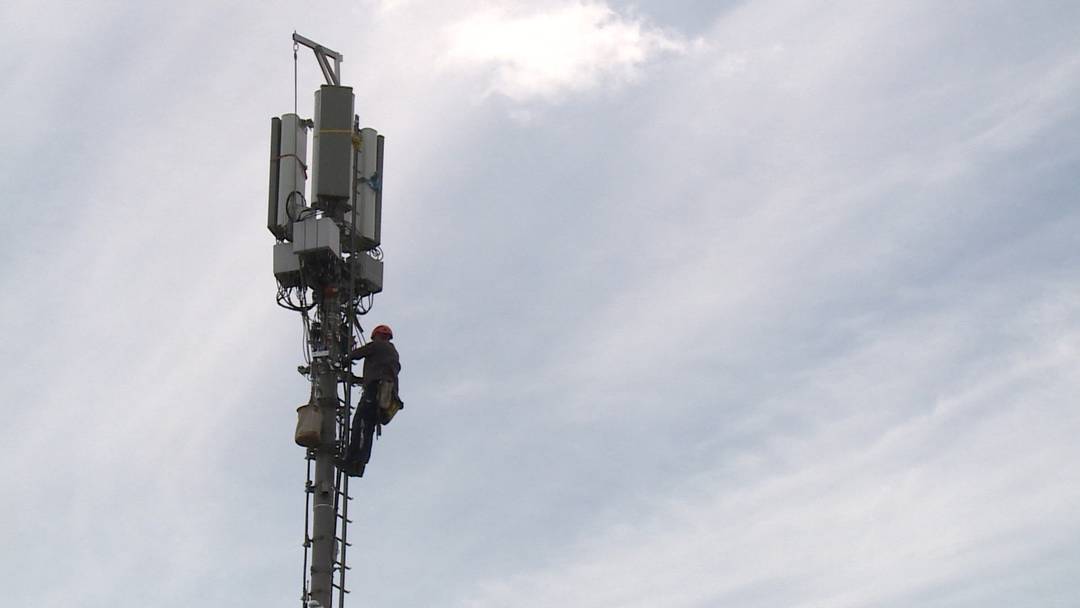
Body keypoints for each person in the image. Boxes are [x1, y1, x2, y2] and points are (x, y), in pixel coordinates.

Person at [341, 324, 400, 477]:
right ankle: (359, 465)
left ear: (376, 336)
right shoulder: (392, 353)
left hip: (374, 392)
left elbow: (358, 353)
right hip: (385, 397)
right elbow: (378, 374)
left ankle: (351, 460)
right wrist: (358, 380)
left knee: (360, 423)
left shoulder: (377, 346)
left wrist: (345, 359)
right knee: (367, 429)